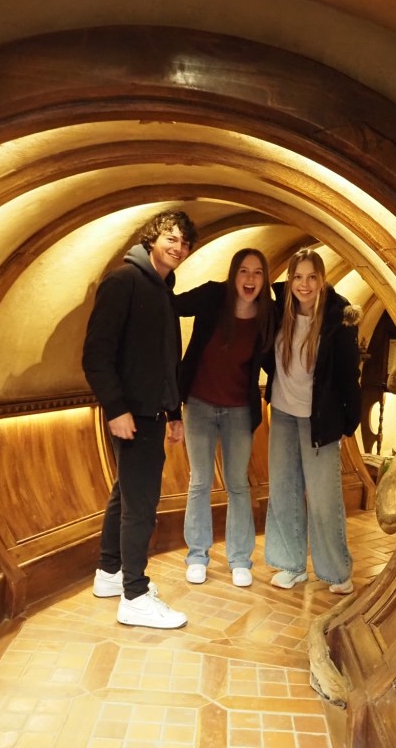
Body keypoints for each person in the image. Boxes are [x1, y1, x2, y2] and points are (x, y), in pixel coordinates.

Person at [82, 209, 198, 629]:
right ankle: (134, 595)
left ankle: (110, 572)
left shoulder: (163, 289)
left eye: (184, 242)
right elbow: (96, 356)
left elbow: (166, 361)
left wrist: (174, 412)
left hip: (152, 412)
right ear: (152, 238)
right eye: (171, 237)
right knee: (142, 505)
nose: (178, 247)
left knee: (127, 494)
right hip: (131, 414)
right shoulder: (123, 282)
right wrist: (116, 409)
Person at [174, 248, 276, 588]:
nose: (250, 279)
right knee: (200, 481)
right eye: (244, 271)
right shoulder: (212, 296)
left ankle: (240, 560)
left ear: (265, 279)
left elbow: (276, 358)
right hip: (199, 405)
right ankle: (197, 556)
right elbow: (172, 305)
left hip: (238, 410)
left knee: (237, 484)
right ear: (234, 274)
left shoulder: (268, 314)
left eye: (257, 272)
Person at [263, 247, 361, 595]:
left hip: (320, 420)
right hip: (283, 414)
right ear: (290, 280)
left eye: (311, 277)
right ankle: (291, 565)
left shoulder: (338, 318)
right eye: (298, 277)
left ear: (322, 280)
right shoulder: (278, 310)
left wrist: (349, 422)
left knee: (323, 498)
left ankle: (337, 572)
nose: (304, 285)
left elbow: (349, 374)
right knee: (283, 491)